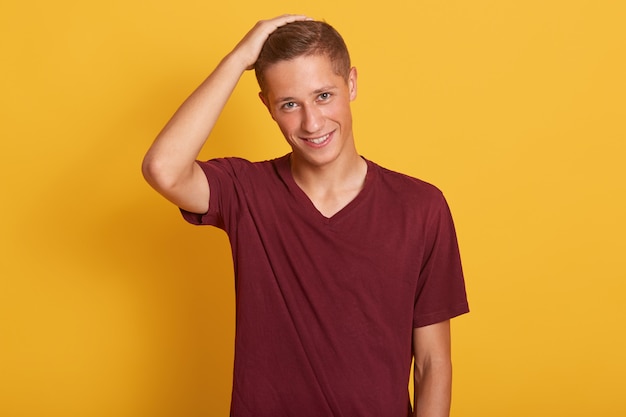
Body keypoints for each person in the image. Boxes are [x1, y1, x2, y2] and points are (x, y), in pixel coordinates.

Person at [142, 14, 469, 417]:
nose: (312, 123)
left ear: (351, 83)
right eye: (290, 104)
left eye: (324, 96)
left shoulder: (420, 207)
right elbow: (163, 168)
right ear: (267, 106)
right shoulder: (246, 190)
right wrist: (239, 58)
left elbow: (433, 365)